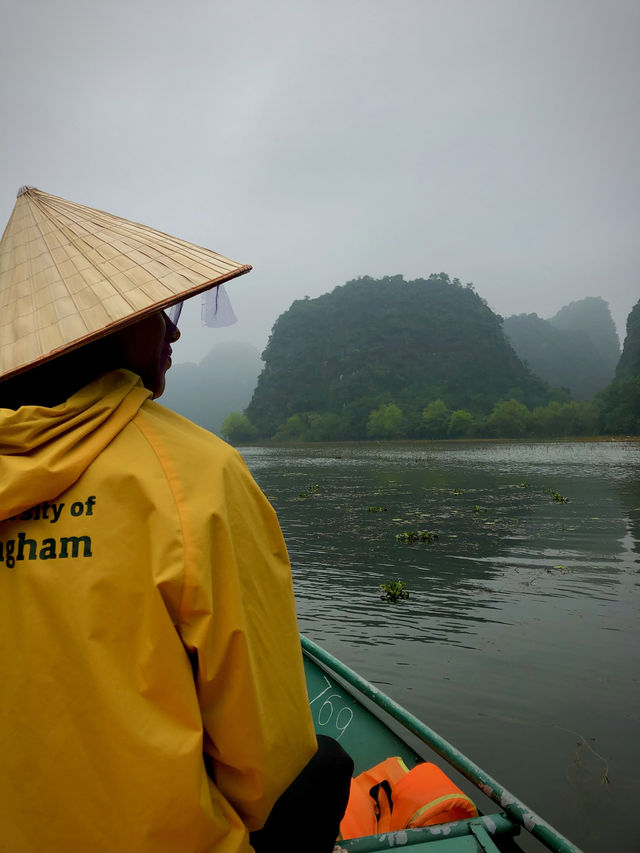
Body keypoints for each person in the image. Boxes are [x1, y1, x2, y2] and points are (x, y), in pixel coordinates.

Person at [0, 187, 352, 852]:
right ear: (103, 325)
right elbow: (265, 768)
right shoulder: (197, 475)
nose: (174, 328)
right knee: (323, 768)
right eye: (159, 310)